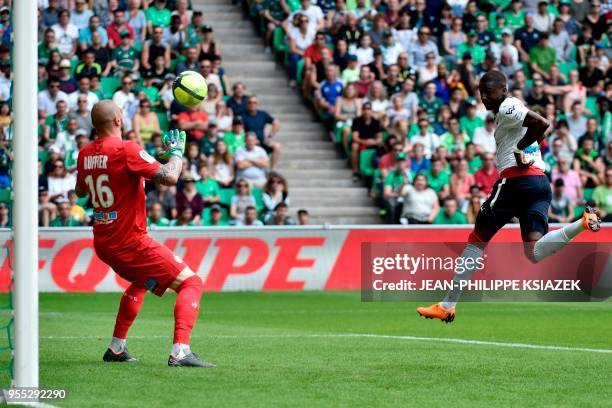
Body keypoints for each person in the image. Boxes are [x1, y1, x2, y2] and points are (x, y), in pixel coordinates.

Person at [417, 70, 601, 324]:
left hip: (516, 182)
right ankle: (582, 223)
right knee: (534, 251)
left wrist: (518, 148)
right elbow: (538, 131)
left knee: (477, 239)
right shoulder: (510, 112)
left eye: (488, 92)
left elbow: (542, 123)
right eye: (481, 93)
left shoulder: (508, 106)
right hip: (539, 184)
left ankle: (447, 305)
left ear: (503, 90)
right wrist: (524, 147)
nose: (484, 98)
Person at [75, 100, 214, 367]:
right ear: (118, 120)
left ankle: (116, 348)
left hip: (104, 241)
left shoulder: (84, 153)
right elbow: (170, 177)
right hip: (130, 241)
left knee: (141, 282)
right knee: (191, 283)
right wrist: (176, 154)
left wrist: (142, 167)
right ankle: (181, 351)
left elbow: (82, 192)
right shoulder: (127, 149)